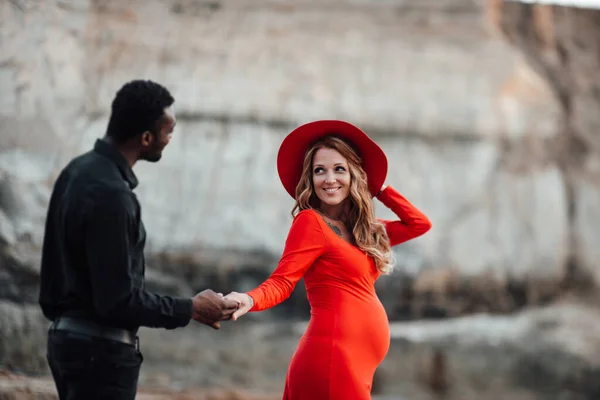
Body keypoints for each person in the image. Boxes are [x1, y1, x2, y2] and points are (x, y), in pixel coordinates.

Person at [38, 80, 239, 400]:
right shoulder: (113, 196)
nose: (171, 138)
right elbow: (118, 301)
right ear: (146, 138)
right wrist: (191, 309)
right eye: (168, 130)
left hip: (66, 346)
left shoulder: (75, 172)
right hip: (100, 358)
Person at [224, 120, 432, 400]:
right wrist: (249, 299)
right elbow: (283, 281)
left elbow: (418, 224)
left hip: (356, 365)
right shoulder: (311, 223)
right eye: (319, 170)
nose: (329, 179)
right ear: (309, 179)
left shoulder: (362, 230)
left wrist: (380, 188)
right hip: (332, 360)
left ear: (354, 175)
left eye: (339, 169)